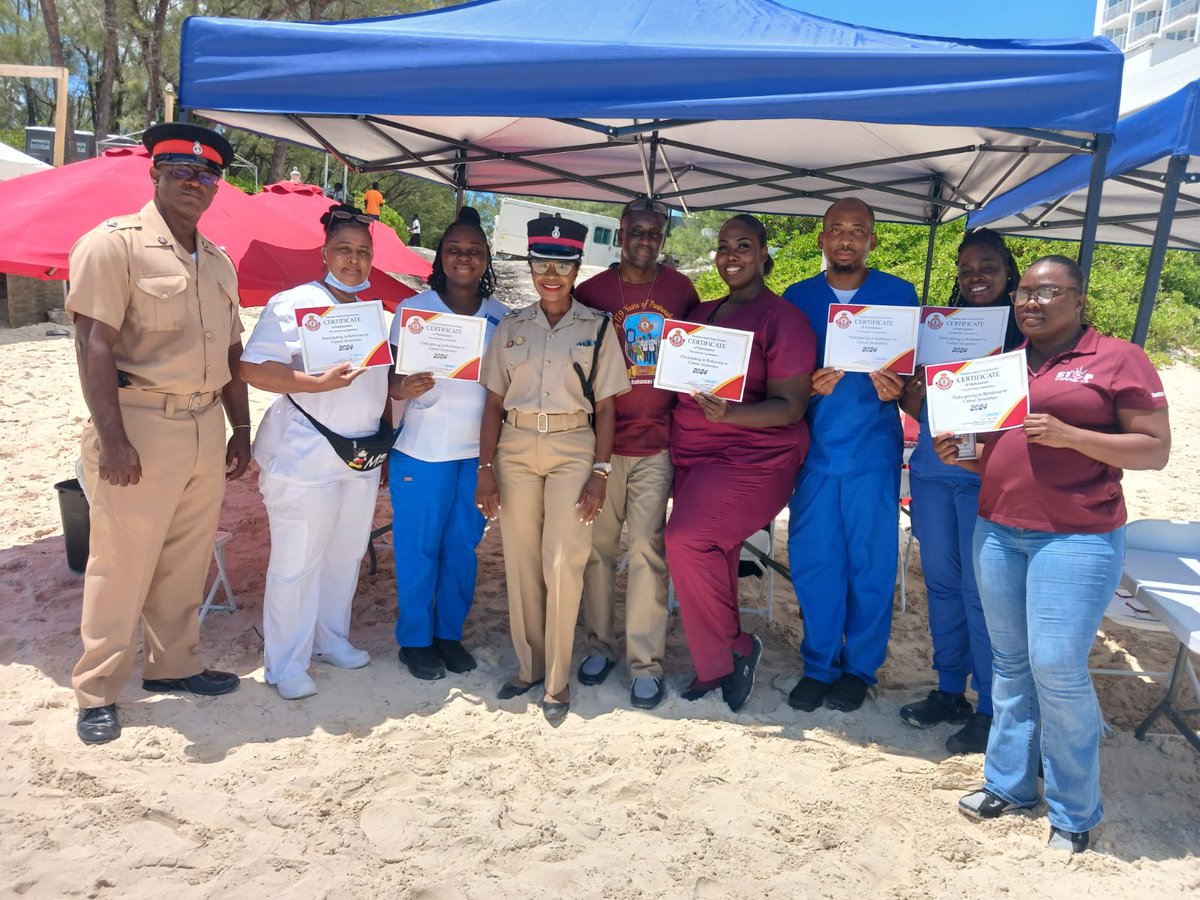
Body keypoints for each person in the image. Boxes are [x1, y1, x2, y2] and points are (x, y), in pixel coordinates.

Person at [937, 255, 1170, 853]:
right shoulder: (1003, 363)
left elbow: (1153, 450)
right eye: (1025, 295)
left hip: (1077, 536)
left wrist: (1073, 436)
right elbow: (988, 452)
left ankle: (1074, 809)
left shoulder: (1119, 358)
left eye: (1047, 292)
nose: (1031, 303)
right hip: (999, 531)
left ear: (1079, 298)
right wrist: (956, 454)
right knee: (1011, 663)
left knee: (1058, 668)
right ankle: (1010, 784)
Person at [67, 122, 251, 745]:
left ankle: (174, 666)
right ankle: (97, 690)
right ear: (156, 173)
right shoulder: (112, 245)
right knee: (120, 563)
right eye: (181, 171)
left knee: (184, 558)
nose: (195, 184)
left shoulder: (219, 261)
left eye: (206, 176)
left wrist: (241, 427)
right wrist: (111, 437)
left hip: (205, 424)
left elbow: (231, 348)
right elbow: (93, 344)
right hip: (139, 422)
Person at [476, 217, 630, 723]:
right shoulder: (511, 327)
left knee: (562, 561)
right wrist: (485, 468)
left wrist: (601, 472)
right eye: (542, 261)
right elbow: (493, 402)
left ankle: (558, 679)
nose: (551, 273)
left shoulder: (598, 326)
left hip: (573, 448)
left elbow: (606, 407)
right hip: (516, 447)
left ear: (576, 268)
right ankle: (530, 664)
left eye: (562, 264)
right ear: (530, 264)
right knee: (521, 561)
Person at [239, 203, 392, 701]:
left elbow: (381, 381)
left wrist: (403, 389)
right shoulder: (293, 303)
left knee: (344, 554)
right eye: (344, 250)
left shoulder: (376, 313)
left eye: (363, 252)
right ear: (325, 252)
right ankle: (285, 663)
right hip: (305, 455)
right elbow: (254, 369)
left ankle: (331, 639)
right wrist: (313, 383)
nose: (353, 260)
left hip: (359, 456)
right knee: (296, 560)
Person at [665, 214, 816, 713]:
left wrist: (731, 413)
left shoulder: (784, 318)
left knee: (685, 539)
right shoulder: (703, 315)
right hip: (693, 454)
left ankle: (736, 645)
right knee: (716, 554)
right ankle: (716, 668)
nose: (731, 256)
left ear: (763, 254)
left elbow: (791, 405)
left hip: (753, 459)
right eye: (724, 246)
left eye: (743, 246)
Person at [783, 198, 919, 714]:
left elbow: (914, 384)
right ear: (820, 239)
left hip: (872, 455)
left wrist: (897, 393)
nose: (846, 238)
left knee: (871, 564)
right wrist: (808, 389)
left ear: (872, 241)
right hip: (815, 454)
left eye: (857, 230)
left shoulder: (898, 295)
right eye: (836, 229)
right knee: (816, 563)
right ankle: (819, 664)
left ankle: (859, 668)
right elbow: (781, 381)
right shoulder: (798, 298)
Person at [891, 229, 1021, 754]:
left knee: (981, 592)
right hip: (931, 466)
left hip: (985, 474)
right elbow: (920, 409)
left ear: (1009, 273)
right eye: (966, 270)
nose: (976, 277)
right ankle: (949, 691)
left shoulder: (1025, 332)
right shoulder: (938, 329)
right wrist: (910, 395)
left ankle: (991, 708)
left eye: (987, 267)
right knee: (941, 585)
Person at [573, 197, 700, 709]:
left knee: (648, 550)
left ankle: (645, 663)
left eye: (655, 233)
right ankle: (600, 645)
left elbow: (699, 353)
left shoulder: (680, 290)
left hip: (656, 444)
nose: (645, 240)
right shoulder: (591, 292)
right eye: (637, 231)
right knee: (597, 550)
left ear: (663, 237)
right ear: (621, 231)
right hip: (599, 445)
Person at [388, 207, 508, 681]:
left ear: (485, 260)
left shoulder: (501, 317)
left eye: (474, 251)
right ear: (441, 255)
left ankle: (447, 636)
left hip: (477, 455)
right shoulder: (414, 311)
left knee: (462, 545)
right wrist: (405, 388)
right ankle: (415, 640)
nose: (464, 258)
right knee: (418, 547)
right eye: (455, 249)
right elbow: (390, 385)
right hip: (422, 450)